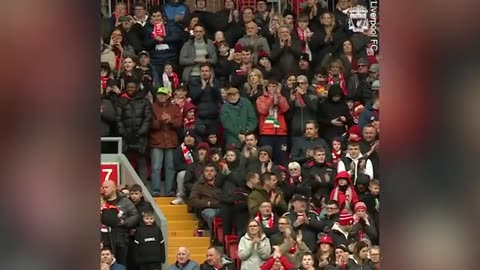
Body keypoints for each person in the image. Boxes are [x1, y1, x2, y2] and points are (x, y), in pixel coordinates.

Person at [115, 79, 152, 182]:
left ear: (137, 88)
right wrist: (124, 133)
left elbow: (148, 119)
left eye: (132, 87)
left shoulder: (145, 101)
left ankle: (142, 186)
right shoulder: (121, 101)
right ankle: (127, 185)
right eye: (128, 87)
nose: (130, 89)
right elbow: (118, 119)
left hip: (141, 137)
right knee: (126, 162)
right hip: (126, 137)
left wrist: (140, 132)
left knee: (142, 162)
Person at [149, 87, 182, 197]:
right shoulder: (152, 107)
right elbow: (149, 124)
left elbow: (179, 123)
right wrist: (160, 121)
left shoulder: (174, 108)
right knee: (156, 167)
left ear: (168, 96)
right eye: (159, 94)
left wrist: (170, 121)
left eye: (163, 94)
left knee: (170, 168)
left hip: (171, 142)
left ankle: (170, 191)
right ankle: (155, 190)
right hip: (156, 141)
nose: (161, 96)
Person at [102, 180, 140, 265]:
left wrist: (125, 222)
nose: (104, 189)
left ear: (114, 188)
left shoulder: (124, 201)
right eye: (103, 187)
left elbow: (135, 215)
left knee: (121, 266)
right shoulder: (101, 201)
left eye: (106, 187)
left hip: (121, 240)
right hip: (105, 241)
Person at [143, 5, 183, 83]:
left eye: (158, 16)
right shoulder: (147, 28)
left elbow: (177, 37)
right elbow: (145, 44)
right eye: (154, 16)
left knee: (171, 82)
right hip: (155, 58)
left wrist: (163, 39)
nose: (156, 18)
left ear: (162, 16)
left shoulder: (170, 25)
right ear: (150, 17)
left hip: (170, 56)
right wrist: (154, 39)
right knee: (157, 81)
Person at [256, 80, 290, 165]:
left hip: (281, 133)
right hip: (266, 133)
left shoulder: (281, 98)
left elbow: (285, 108)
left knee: (282, 159)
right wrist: (271, 98)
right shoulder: (261, 99)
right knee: (266, 159)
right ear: (266, 88)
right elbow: (263, 110)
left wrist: (278, 96)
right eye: (269, 86)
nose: (271, 88)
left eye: (274, 86)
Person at [189, 63, 222, 139]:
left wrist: (211, 85)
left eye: (206, 71)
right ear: (200, 73)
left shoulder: (215, 82)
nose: (204, 73)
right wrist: (202, 87)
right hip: (200, 118)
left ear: (210, 72)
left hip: (213, 117)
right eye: (202, 71)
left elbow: (219, 97)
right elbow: (193, 97)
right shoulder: (195, 82)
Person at [189, 163, 224, 231]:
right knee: (211, 214)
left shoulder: (221, 183)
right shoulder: (198, 185)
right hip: (207, 208)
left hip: (222, 207)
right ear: (204, 173)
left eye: (211, 171)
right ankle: (214, 235)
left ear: (215, 173)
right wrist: (208, 203)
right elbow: (193, 200)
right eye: (207, 171)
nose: (209, 173)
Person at [302, 146, 336, 211]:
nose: (321, 157)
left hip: (329, 198)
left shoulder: (331, 167)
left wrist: (329, 181)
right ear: (314, 156)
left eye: (323, 154)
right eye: (319, 155)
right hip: (313, 198)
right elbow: (305, 186)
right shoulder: (308, 168)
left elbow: (335, 185)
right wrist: (317, 182)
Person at [171, 129, 197, 205]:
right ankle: (180, 197)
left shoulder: (197, 149)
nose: (188, 139)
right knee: (182, 174)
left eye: (191, 137)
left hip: (197, 172)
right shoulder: (179, 150)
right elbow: (177, 166)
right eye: (187, 136)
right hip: (186, 172)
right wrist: (191, 168)